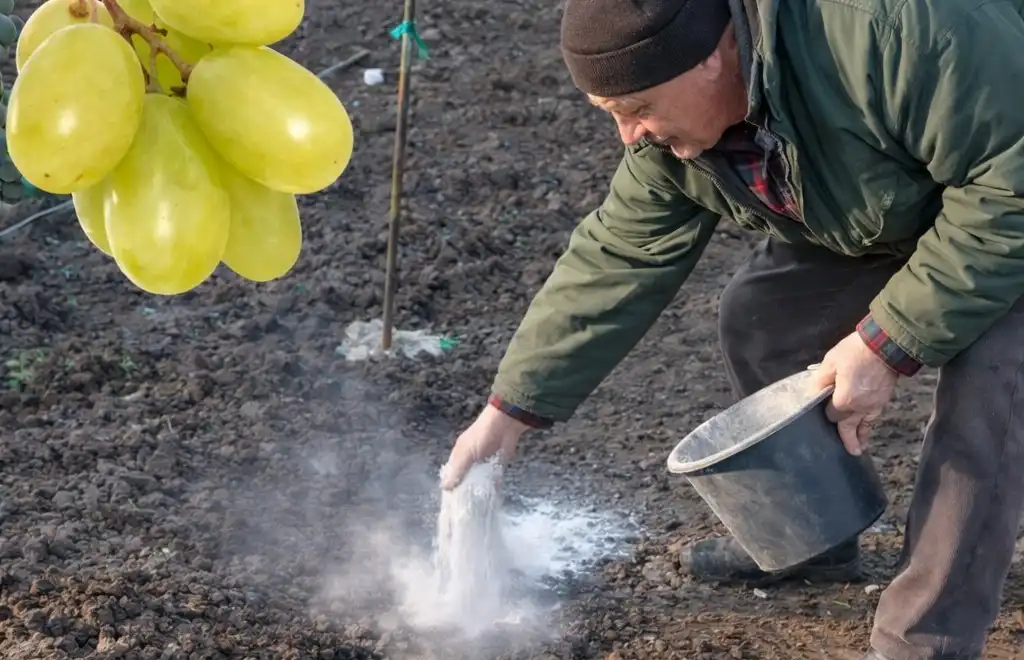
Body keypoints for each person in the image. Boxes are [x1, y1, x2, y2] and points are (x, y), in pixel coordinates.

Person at [440, 0, 1024, 656]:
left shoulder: (892, 29)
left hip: (1007, 196)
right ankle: (813, 537)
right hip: (917, 195)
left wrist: (884, 344)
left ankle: (927, 639)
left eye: (636, 109)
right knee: (765, 318)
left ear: (712, 56)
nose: (629, 136)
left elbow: (1009, 189)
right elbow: (619, 256)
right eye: (613, 115)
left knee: (991, 390)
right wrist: (507, 413)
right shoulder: (680, 133)